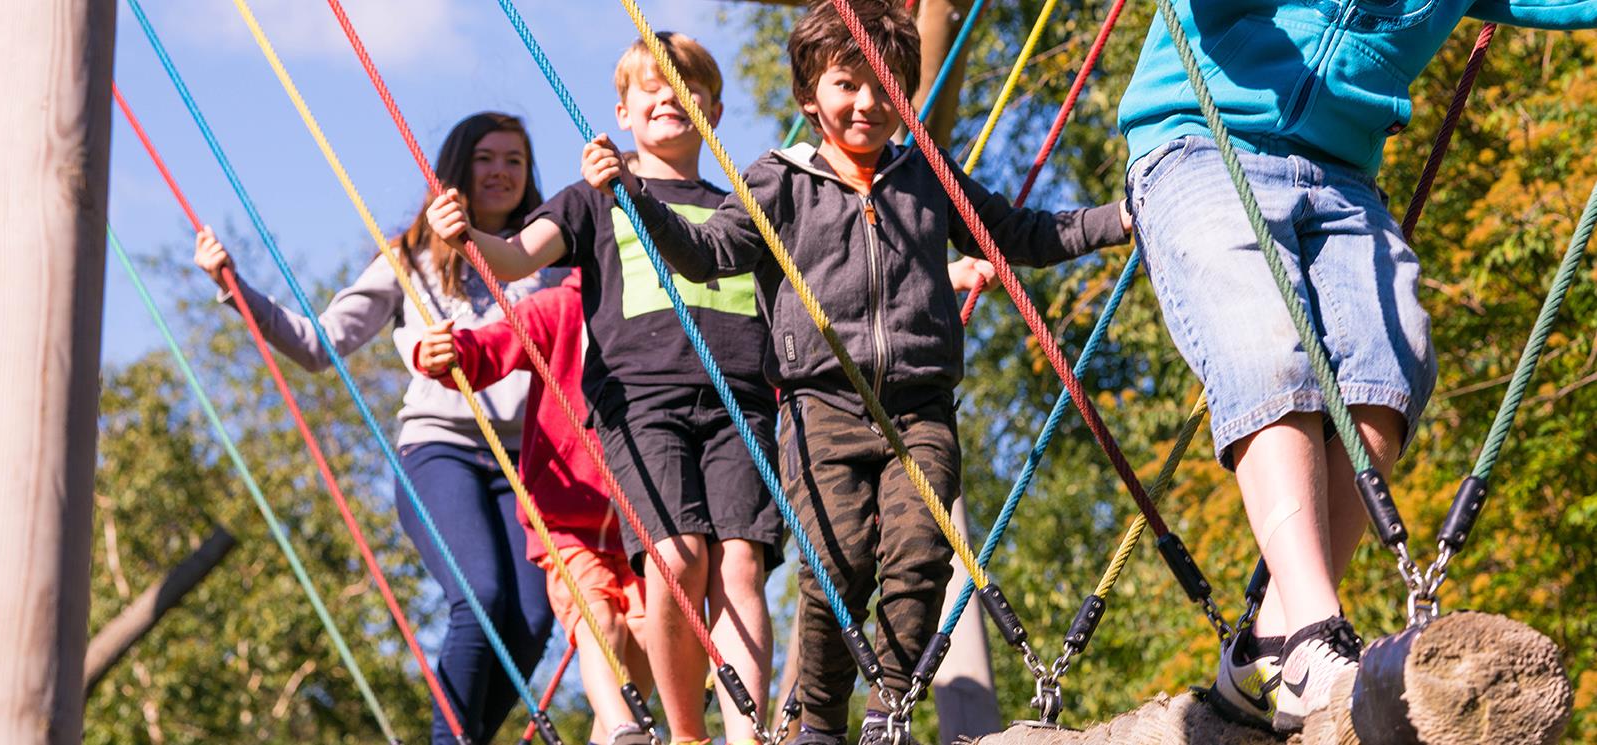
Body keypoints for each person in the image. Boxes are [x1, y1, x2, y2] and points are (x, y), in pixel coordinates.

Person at [582, 3, 1133, 743]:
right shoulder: (779, 181)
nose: (867, 103)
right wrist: (635, 196)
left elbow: (1023, 234)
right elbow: (705, 253)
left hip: (918, 406)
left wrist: (1122, 217)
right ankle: (819, 720)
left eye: (884, 86)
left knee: (919, 558)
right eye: (847, 84)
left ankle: (889, 710)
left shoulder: (927, 177)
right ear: (810, 96)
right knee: (834, 572)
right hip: (821, 409)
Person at [1116, 0, 1597, 732]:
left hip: (1343, 173)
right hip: (1200, 138)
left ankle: (1273, 640)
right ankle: (1315, 630)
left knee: (1394, 356)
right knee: (1265, 341)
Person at [426, 34, 778, 745]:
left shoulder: (744, 207)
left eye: (686, 86)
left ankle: (749, 734)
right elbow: (517, 253)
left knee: (739, 563)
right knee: (677, 558)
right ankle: (685, 733)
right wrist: (467, 233)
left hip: (739, 400)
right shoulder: (597, 198)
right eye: (650, 87)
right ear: (623, 112)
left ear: (712, 107)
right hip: (641, 401)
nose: (668, 96)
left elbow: (803, 293)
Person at [195, 111, 558, 745]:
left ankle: (463, 737)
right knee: (480, 596)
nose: (500, 172)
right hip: (441, 450)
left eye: (514, 161)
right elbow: (317, 344)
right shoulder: (410, 261)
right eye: (486, 158)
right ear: (457, 170)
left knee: (532, 619)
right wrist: (236, 288)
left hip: (524, 461)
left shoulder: (548, 263)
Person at [417, 271, 656, 745]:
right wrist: (446, 355)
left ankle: (612, 735)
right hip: (568, 522)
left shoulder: (660, 311)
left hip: (641, 522)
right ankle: (627, 729)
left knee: (651, 636)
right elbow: (492, 345)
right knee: (599, 620)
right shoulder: (561, 309)